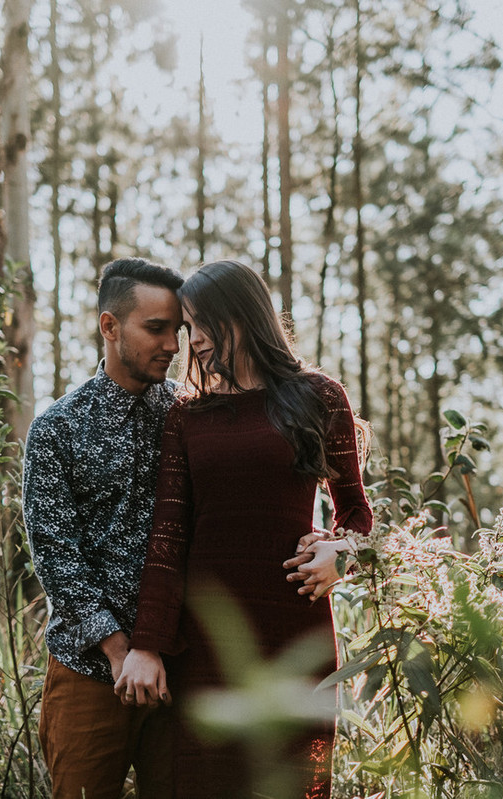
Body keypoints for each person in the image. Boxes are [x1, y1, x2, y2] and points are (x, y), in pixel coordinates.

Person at [114, 259, 374, 799]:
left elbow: (357, 514)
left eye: (204, 323)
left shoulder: (318, 396)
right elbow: (167, 541)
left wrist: (341, 554)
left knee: (295, 784)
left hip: (294, 630)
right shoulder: (187, 417)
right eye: (187, 327)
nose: (195, 340)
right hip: (207, 639)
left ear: (244, 315)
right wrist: (147, 645)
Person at [21, 256, 184, 799]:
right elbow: (56, 554)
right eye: (156, 329)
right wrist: (119, 651)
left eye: (178, 330)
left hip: (182, 671)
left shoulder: (188, 417)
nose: (173, 345)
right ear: (109, 326)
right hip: (90, 672)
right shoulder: (57, 430)